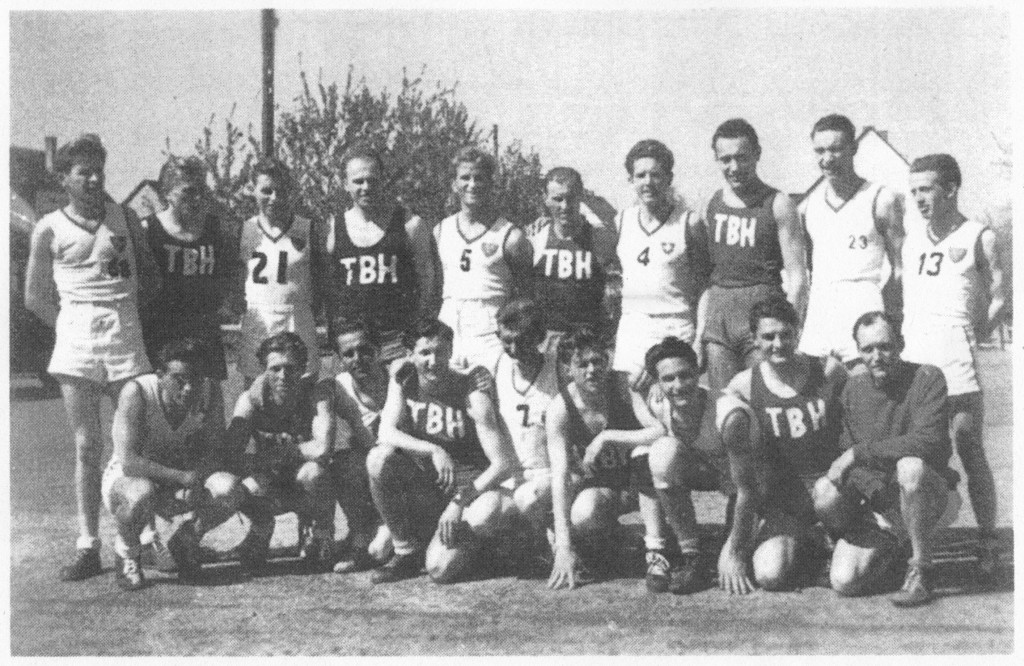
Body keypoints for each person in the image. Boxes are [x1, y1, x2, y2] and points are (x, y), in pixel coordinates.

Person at [24, 134, 160, 581]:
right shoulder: (48, 226)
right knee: (87, 446)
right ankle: (88, 545)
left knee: (132, 446)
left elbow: (152, 276)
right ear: (64, 178)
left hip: (124, 333)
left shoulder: (125, 216)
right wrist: (68, 327)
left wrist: (129, 307)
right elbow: (34, 298)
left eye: (99, 169)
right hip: (77, 338)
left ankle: (136, 542)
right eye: (83, 171)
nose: (94, 178)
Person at [900, 153, 1006, 578]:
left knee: (969, 448)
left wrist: (979, 330)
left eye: (926, 189)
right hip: (915, 363)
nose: (919, 199)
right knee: (915, 455)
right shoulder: (911, 238)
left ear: (950, 189)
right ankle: (914, 547)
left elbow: (1000, 294)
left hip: (957, 361)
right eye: (914, 192)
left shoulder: (980, 236)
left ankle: (987, 541)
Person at [814, 311, 961, 607]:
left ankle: (921, 569)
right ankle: (894, 550)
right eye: (867, 349)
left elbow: (928, 442)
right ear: (858, 352)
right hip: (881, 501)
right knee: (844, 579)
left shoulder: (927, 378)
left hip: (929, 495)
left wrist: (859, 453)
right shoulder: (853, 389)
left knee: (910, 466)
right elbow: (846, 449)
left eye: (885, 346)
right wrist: (875, 495)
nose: (877, 356)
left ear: (901, 344)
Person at [366, 318, 519, 584]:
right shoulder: (404, 378)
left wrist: (459, 501)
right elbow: (385, 432)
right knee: (378, 458)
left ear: (451, 351)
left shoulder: (470, 387)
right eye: (425, 353)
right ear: (410, 354)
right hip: (429, 487)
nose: (433, 361)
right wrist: (434, 449)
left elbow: (502, 463)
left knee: (440, 569)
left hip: (468, 491)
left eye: (440, 352)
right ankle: (406, 552)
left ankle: (483, 548)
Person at [716, 297, 845, 594]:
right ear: (755, 339)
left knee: (829, 497)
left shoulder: (828, 371)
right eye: (768, 336)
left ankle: (839, 539)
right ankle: (810, 543)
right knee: (770, 575)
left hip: (831, 489)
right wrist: (732, 546)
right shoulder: (743, 385)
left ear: (797, 332)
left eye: (785, 334)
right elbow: (714, 414)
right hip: (783, 500)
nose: (778, 343)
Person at [103, 338, 242, 590]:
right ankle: (127, 551)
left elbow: (214, 449)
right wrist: (182, 477)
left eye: (196, 379)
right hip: (130, 479)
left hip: (180, 475)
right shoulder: (137, 393)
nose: (189, 388)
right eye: (179, 379)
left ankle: (185, 542)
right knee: (140, 494)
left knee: (228, 488)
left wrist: (198, 475)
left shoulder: (209, 391)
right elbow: (129, 461)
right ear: (160, 375)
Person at [544, 328, 672, 592]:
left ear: (608, 360)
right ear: (568, 369)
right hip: (601, 487)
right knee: (583, 512)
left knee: (648, 453)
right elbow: (560, 475)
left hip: (640, 484)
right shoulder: (560, 408)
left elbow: (659, 430)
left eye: (598, 361)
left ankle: (657, 547)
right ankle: (625, 541)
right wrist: (563, 545)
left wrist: (608, 437)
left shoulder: (622, 386)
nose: (592, 370)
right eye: (582, 364)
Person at [701, 119, 808, 399]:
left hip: (762, 310)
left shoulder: (779, 204)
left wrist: (790, 329)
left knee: (765, 400)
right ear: (716, 159)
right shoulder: (711, 203)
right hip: (720, 313)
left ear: (757, 154)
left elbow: (798, 278)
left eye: (742, 157)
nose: (734, 167)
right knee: (723, 404)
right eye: (726, 159)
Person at [226, 332, 338, 573]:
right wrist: (265, 463)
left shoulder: (316, 394)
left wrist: (282, 453)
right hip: (272, 479)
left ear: (303, 368)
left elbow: (322, 448)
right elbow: (232, 452)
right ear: (263, 370)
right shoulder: (251, 400)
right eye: (275, 368)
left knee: (314, 472)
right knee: (247, 486)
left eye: (290, 368)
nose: (283, 375)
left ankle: (320, 531)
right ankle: (261, 530)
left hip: (303, 479)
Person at [798, 115, 905, 364]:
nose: (827, 159)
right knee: (818, 395)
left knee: (865, 393)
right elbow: (810, 269)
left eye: (835, 149)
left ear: (853, 148)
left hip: (864, 308)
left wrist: (885, 312)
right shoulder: (808, 206)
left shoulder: (880, 198)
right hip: (821, 313)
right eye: (820, 151)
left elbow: (901, 267)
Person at [640, 337, 736, 594]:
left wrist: (733, 546)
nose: (678, 385)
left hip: (736, 479)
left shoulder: (724, 409)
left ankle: (723, 545)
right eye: (668, 379)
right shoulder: (656, 405)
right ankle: (690, 554)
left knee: (737, 556)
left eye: (685, 376)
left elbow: (750, 478)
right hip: (694, 470)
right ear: (657, 383)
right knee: (658, 453)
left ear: (698, 373)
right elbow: (628, 388)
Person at [326, 148, 438, 363]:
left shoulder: (409, 224)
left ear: (383, 180)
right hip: (354, 344)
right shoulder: (335, 227)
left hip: (397, 341)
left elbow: (428, 280)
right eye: (358, 181)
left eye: (372, 180)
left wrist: (418, 329)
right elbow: (328, 287)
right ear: (345, 184)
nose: (366, 187)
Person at [612, 140, 709, 381]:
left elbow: (706, 284)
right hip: (633, 328)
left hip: (675, 327)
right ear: (631, 180)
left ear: (668, 178)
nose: (648, 182)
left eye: (655, 175)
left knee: (675, 406)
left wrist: (700, 338)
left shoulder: (689, 222)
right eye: (640, 175)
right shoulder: (621, 221)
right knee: (631, 406)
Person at [140, 155, 234, 400]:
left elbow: (226, 279)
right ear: (167, 193)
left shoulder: (216, 229)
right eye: (189, 191)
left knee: (209, 409)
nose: (197, 199)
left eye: (201, 191)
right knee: (162, 408)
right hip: (162, 336)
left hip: (204, 333)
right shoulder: (148, 231)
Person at [434, 147, 534, 372]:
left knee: (490, 399)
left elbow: (526, 295)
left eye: (479, 178)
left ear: (491, 184)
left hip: (490, 331)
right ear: (454, 184)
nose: (472, 184)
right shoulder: (441, 231)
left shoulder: (511, 236)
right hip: (447, 327)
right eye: (465, 178)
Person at [238, 158, 326, 383]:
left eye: (281, 190)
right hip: (258, 320)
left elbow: (322, 280)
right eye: (266, 191)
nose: (274, 198)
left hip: (297, 319)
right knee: (256, 395)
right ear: (252, 190)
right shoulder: (243, 230)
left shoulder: (308, 228)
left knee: (303, 393)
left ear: (291, 191)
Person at [491, 299, 560, 557]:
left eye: (521, 341)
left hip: (550, 473)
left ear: (538, 337)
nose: (513, 349)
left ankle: (557, 544)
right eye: (506, 341)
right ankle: (529, 539)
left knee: (527, 498)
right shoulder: (497, 365)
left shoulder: (556, 368)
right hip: (513, 477)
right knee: (481, 519)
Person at [329, 318, 393, 571]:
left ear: (379, 350)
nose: (358, 358)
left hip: (407, 470)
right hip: (372, 466)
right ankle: (360, 531)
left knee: (379, 552)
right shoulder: (339, 386)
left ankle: (390, 530)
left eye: (365, 350)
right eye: (349, 354)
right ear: (339, 358)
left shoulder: (399, 376)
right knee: (344, 461)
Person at [527, 167, 617, 340]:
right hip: (546, 340)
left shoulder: (599, 239)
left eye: (571, 198)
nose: (565, 206)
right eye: (557, 199)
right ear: (545, 199)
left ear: (581, 197)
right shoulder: (535, 239)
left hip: (588, 342)